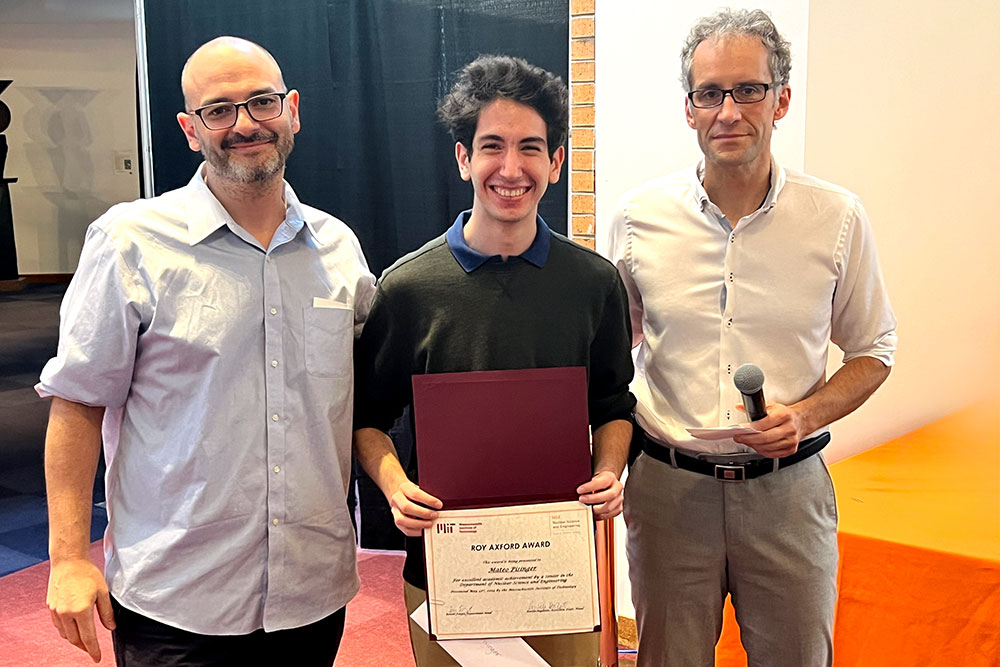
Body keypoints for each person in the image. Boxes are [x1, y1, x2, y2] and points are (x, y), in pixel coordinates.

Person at [37, 36, 375, 666]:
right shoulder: (129, 241)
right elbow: (77, 403)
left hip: (311, 593)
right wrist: (69, 558)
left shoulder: (339, 248)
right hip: (177, 600)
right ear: (190, 130)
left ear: (293, 110)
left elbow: (359, 404)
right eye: (219, 110)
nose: (244, 125)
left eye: (262, 103)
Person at [606, 9, 897, 666]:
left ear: (782, 99)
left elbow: (875, 348)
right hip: (668, 490)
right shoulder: (637, 218)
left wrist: (806, 414)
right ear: (689, 109)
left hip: (787, 493)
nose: (728, 110)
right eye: (709, 93)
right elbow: (610, 350)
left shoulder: (837, 218)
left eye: (748, 90)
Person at [352, 55, 635, 666]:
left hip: (560, 570)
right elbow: (366, 417)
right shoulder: (408, 287)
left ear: (557, 163)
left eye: (531, 148)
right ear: (463, 159)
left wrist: (611, 471)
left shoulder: (594, 284)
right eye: (492, 147)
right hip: (448, 571)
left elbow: (614, 404)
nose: (511, 168)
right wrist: (396, 487)